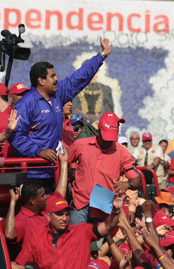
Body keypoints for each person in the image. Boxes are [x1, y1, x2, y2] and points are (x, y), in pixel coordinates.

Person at [9, 38, 112, 183]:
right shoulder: (26, 103)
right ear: (41, 80)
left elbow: (79, 78)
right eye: (52, 76)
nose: (57, 79)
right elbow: (16, 136)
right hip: (32, 174)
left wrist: (101, 56)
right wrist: (39, 151)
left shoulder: (57, 94)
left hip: (54, 171)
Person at [11, 193, 123, 269]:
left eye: (67, 214)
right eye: (59, 214)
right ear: (48, 216)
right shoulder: (35, 238)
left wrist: (116, 210)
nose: (64, 218)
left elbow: (108, 226)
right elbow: (20, 266)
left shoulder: (82, 231)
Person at [68, 112, 140, 225]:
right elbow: (66, 161)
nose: (108, 142)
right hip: (80, 203)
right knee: (76, 239)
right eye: (106, 138)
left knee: (101, 242)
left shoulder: (123, 153)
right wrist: (72, 168)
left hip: (103, 206)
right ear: (98, 132)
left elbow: (136, 180)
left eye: (111, 138)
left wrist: (127, 184)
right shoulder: (80, 145)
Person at [4, 148, 68, 249]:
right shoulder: (22, 220)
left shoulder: (43, 207)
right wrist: (13, 202)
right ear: (32, 201)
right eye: (43, 196)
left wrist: (64, 163)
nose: (46, 197)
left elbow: (60, 194)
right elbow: (9, 235)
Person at [73, 59, 114, 125]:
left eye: (95, 72)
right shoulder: (75, 89)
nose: (93, 75)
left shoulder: (106, 90)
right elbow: (72, 110)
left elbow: (110, 114)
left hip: (100, 126)